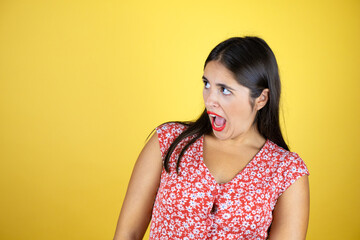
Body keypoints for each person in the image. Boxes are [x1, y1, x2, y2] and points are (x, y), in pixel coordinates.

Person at [113, 36, 310, 240]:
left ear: (261, 99)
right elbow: (128, 233)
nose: (210, 100)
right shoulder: (168, 141)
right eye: (207, 84)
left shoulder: (287, 170)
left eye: (224, 90)